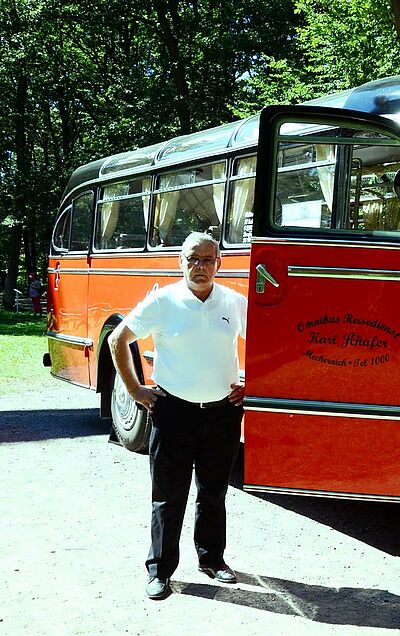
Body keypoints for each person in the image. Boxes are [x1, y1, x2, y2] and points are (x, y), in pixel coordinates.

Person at [108, 231, 247, 601]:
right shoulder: (163, 301)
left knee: (213, 492)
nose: (199, 266)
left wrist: (254, 384)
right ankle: (160, 571)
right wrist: (135, 389)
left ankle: (212, 560)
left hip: (222, 414)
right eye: (192, 259)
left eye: (207, 259)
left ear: (219, 263)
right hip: (173, 413)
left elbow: (267, 341)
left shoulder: (233, 302)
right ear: (180, 262)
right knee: (168, 497)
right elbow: (117, 339)